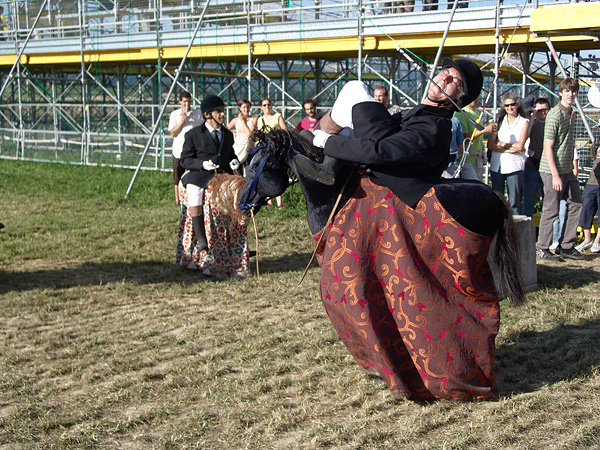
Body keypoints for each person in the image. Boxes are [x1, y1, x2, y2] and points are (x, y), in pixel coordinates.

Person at [294, 58, 483, 210]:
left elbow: (381, 151)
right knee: (349, 114)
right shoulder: (422, 114)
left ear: (459, 100)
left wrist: (328, 142)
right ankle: (327, 159)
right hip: (383, 150)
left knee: (355, 89)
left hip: (390, 174)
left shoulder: (436, 127)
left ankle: (320, 143)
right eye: (445, 71)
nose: (445, 78)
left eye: (454, 81)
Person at [179, 95, 239, 251]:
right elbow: (184, 160)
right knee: (194, 192)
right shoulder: (193, 134)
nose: (222, 114)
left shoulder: (227, 134)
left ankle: (237, 240)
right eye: (218, 111)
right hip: (199, 175)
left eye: (223, 110)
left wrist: (235, 161)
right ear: (207, 114)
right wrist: (201, 164)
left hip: (222, 174)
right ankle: (201, 239)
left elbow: (230, 154)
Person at [535, 78, 583, 261]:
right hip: (551, 170)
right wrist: (555, 175)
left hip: (567, 169)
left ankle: (566, 245)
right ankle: (542, 247)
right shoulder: (555, 115)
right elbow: (548, 147)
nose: (571, 94)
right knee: (551, 209)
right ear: (561, 93)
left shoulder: (572, 113)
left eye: (574, 91)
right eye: (567, 91)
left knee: (576, 203)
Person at [487, 92, 529, 215]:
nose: (510, 108)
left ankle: (515, 225)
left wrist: (503, 144)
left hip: (514, 166)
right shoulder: (499, 121)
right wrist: (510, 148)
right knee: (497, 199)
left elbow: (520, 146)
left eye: (512, 104)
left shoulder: (524, 122)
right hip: (497, 165)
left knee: (514, 201)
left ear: (517, 105)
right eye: (507, 105)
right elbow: (490, 144)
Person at [168, 91, 203, 205]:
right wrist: (182, 121)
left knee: (192, 173)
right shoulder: (174, 115)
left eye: (188, 101)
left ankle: (190, 197)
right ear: (180, 102)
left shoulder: (197, 114)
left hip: (193, 150)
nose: (187, 104)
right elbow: (173, 133)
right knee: (177, 175)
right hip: (179, 149)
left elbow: (202, 129)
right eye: (184, 101)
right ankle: (177, 199)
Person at [257, 97, 288, 209]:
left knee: (276, 174)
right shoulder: (259, 120)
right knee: (266, 174)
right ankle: (268, 201)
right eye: (264, 105)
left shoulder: (277, 117)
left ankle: (279, 203)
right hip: (264, 150)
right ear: (261, 107)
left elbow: (285, 130)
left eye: (269, 104)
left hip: (276, 149)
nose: (267, 107)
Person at [455, 95, 495, 182]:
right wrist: (484, 130)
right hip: (467, 158)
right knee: (472, 185)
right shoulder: (461, 113)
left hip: (478, 159)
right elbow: (464, 138)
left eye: (476, 96)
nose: (474, 99)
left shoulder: (478, 112)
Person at [522, 97, 550, 217]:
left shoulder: (552, 125)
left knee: (548, 202)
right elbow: (526, 135)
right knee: (529, 200)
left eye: (545, 110)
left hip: (548, 166)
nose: (542, 112)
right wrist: (533, 117)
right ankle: (526, 224)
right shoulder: (533, 124)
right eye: (539, 110)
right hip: (533, 164)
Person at [575, 145, 600, 254]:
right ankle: (587, 240)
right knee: (586, 209)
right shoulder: (597, 144)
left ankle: (597, 241)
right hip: (592, 182)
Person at [227, 98, 257, 166]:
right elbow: (226, 130)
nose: (246, 109)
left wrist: (243, 121)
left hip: (249, 149)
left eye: (248, 107)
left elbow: (249, 133)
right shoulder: (235, 120)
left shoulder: (254, 119)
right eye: (244, 107)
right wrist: (232, 135)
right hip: (237, 148)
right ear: (240, 108)